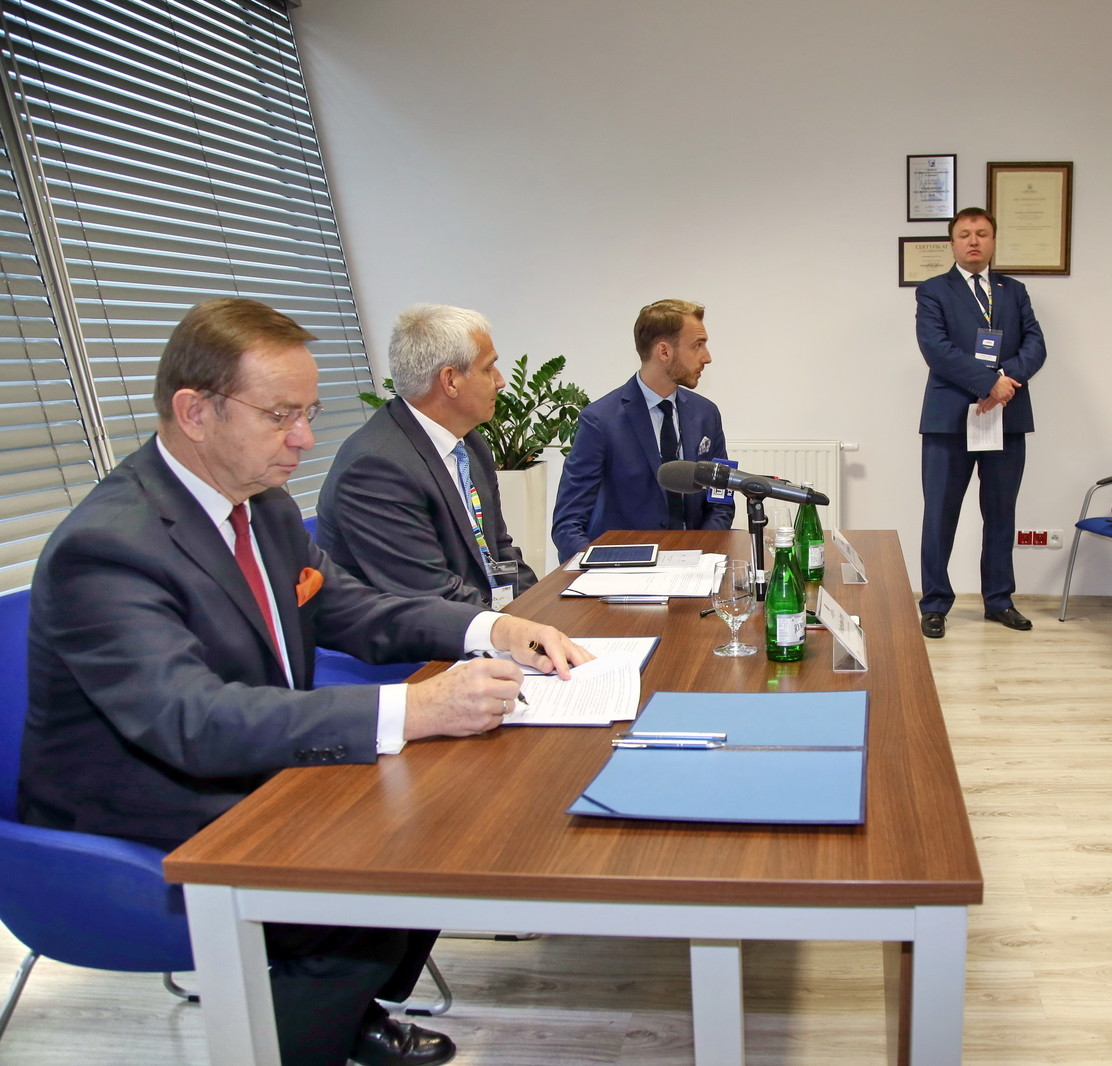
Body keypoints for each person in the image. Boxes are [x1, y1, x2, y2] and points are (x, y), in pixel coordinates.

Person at [20, 299, 592, 1066]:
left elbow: (347, 607)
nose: (305, 439)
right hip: (137, 807)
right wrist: (415, 707)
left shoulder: (262, 507)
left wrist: (490, 629)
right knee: (379, 861)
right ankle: (313, 1026)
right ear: (195, 412)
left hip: (241, 757)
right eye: (279, 415)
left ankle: (346, 1010)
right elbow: (191, 720)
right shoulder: (107, 548)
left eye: (309, 413)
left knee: (440, 807)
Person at [318, 304, 536, 609]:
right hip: (418, 631)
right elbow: (429, 595)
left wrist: (540, 608)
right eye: (488, 368)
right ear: (450, 381)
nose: (500, 381)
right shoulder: (376, 468)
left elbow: (499, 548)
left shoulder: (469, 442)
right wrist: (515, 627)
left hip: (475, 615)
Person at [915, 207, 1048, 638]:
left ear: (993, 240)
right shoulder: (933, 290)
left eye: (982, 233)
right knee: (940, 515)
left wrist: (1005, 382)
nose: (974, 241)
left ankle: (999, 600)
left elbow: (1036, 345)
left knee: (1001, 513)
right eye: (965, 234)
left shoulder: (1014, 291)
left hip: (1006, 418)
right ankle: (935, 603)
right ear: (952, 243)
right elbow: (935, 348)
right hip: (950, 420)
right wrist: (989, 382)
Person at [551, 299, 733, 562]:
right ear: (664, 351)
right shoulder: (600, 420)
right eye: (698, 345)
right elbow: (568, 522)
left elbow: (721, 501)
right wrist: (598, 569)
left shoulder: (707, 414)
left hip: (695, 565)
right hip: (624, 568)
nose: (707, 357)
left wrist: (702, 553)